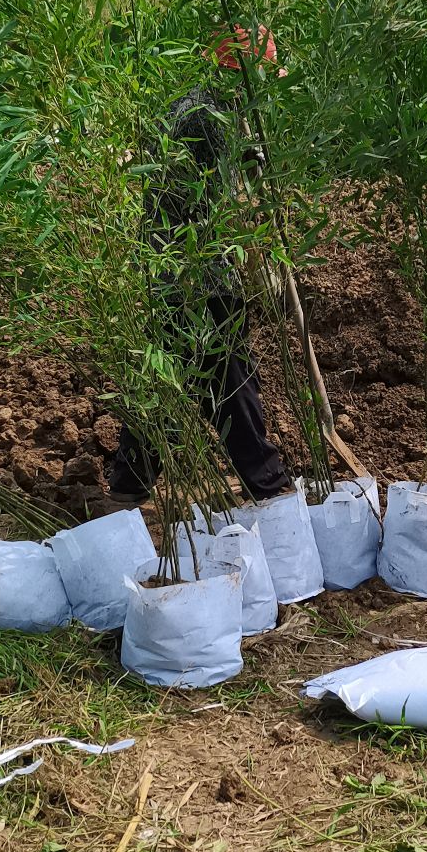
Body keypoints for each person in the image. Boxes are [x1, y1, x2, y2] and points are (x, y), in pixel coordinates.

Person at [107, 26, 293, 504]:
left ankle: (127, 488)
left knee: (166, 383)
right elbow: (208, 205)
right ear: (241, 73)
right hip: (199, 272)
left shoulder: (192, 106)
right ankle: (270, 489)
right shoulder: (211, 117)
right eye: (262, 75)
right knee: (232, 380)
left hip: (171, 271)